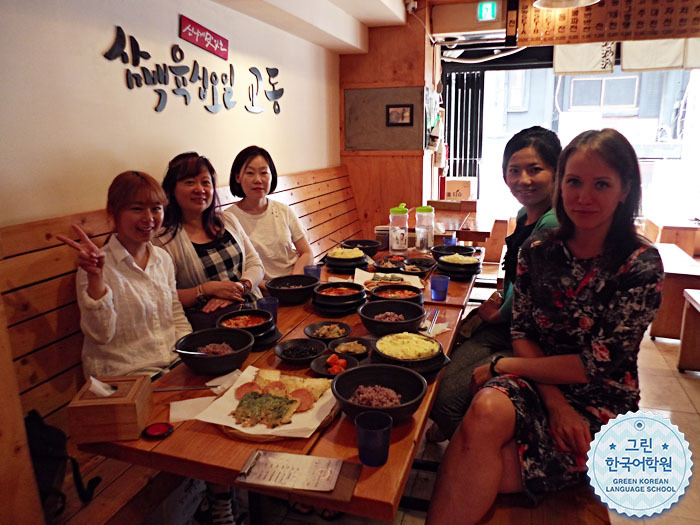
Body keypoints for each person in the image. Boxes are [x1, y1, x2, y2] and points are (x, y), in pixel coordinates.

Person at [427, 129, 664, 524]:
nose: (583, 197)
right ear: (561, 184)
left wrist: (504, 366)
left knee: (484, 461)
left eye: (601, 184)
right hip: (538, 381)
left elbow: (596, 364)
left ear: (625, 189)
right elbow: (522, 333)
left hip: (600, 398)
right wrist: (553, 404)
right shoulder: (539, 251)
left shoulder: (639, 264)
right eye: (574, 182)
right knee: (485, 408)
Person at [428, 126, 561, 442]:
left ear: (557, 172)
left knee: (442, 395)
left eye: (535, 170)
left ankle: (483, 454)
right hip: (508, 325)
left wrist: (500, 313)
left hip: (528, 338)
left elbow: (532, 295)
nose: (523, 180)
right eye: (514, 171)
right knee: (441, 352)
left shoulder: (553, 223)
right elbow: (519, 276)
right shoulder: (525, 213)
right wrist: (502, 296)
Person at [57, 171, 191, 378]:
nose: (149, 218)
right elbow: (100, 335)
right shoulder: (96, 266)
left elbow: (175, 312)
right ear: (113, 212)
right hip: (126, 376)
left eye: (156, 209)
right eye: (137, 209)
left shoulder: (162, 258)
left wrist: (191, 351)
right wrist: (95, 278)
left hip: (172, 364)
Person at [156, 152, 265, 329]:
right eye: (189, 182)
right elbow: (163, 296)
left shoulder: (227, 220)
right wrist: (205, 289)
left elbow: (255, 264)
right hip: (212, 327)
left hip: (256, 313)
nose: (200, 189)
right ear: (172, 190)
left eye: (206, 182)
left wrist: (239, 288)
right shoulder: (163, 240)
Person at [228, 145, 314, 285]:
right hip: (258, 290)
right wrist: (267, 286)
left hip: (293, 285)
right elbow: (234, 271)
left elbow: (307, 253)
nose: (258, 180)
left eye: (263, 173)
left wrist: (294, 278)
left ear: (271, 176)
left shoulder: (283, 211)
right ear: (238, 177)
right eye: (250, 173)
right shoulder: (229, 219)